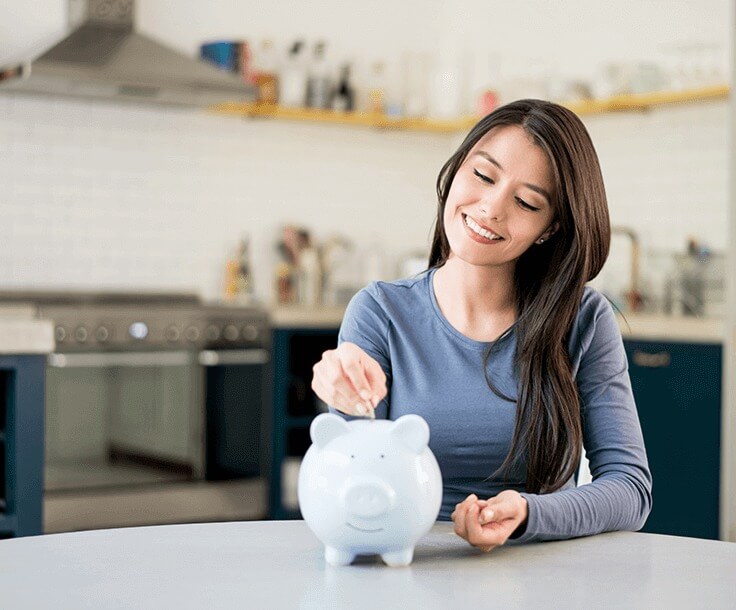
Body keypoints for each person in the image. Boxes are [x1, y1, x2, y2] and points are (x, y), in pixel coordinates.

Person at [311, 99, 652, 553]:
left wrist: (529, 514)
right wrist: (341, 391)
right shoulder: (380, 311)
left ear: (550, 228)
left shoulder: (584, 319)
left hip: (548, 570)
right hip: (407, 561)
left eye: (527, 202)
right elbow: (352, 478)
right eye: (483, 175)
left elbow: (631, 490)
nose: (491, 207)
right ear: (456, 169)